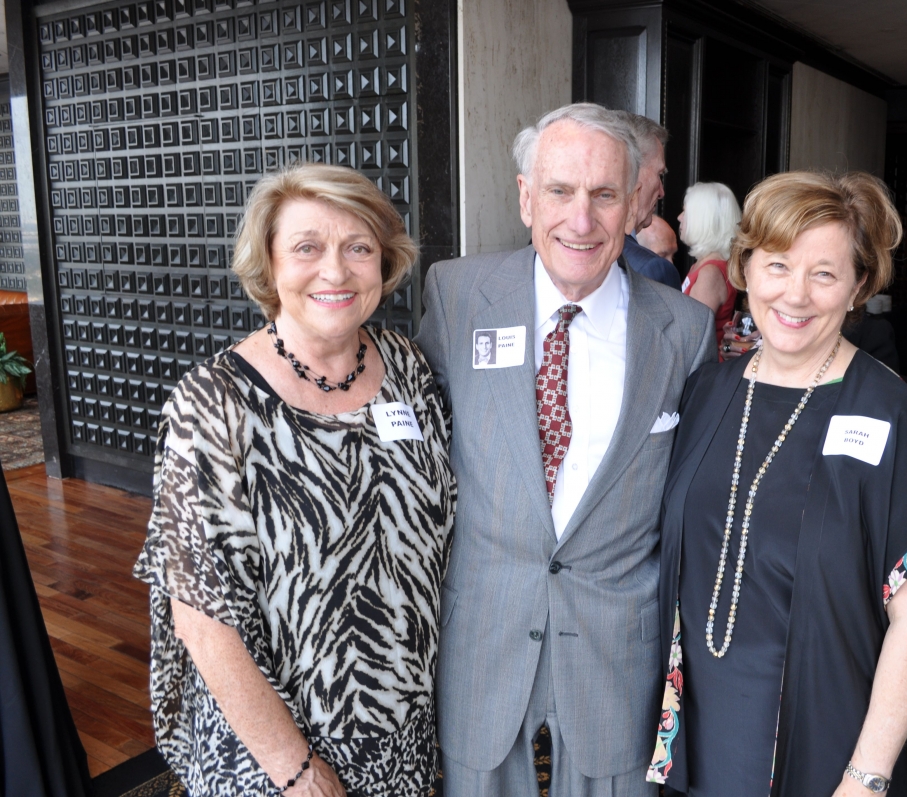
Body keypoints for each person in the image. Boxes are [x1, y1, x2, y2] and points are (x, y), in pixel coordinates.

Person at [415, 103, 714, 797]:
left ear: (634, 204)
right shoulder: (457, 295)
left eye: (604, 194)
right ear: (526, 198)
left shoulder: (685, 329)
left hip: (618, 646)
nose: (581, 220)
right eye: (559, 191)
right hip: (483, 630)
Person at [133, 163, 456, 797]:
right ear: (269, 263)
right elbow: (201, 619)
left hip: (401, 731)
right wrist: (294, 768)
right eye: (307, 248)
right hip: (272, 752)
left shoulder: (409, 369)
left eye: (358, 247)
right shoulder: (213, 405)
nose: (335, 272)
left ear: (385, 261)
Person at [649, 171, 907, 797]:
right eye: (777, 265)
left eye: (824, 273)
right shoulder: (706, 392)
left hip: (826, 743)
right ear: (745, 268)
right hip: (697, 731)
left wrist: (866, 777)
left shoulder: (894, 416)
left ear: (858, 286)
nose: (795, 295)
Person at [615, 111, 682, 289]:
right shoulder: (653, 269)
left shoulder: (550, 251)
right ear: (632, 171)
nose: (661, 192)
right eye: (659, 174)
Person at [678, 182, 740, 358]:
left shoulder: (710, 272)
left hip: (704, 369)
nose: (679, 217)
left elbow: (692, 335)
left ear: (704, 220)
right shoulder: (702, 265)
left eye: (685, 212)